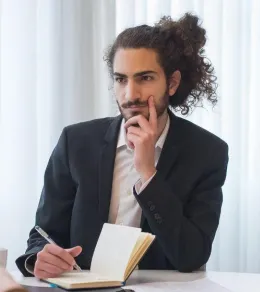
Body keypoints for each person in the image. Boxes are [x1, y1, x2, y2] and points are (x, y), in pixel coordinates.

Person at [16, 13, 229, 278]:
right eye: (121, 79)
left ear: (172, 83)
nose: (130, 94)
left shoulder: (207, 153)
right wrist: (40, 257)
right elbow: (43, 234)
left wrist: (148, 174)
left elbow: (191, 255)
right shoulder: (76, 143)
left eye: (145, 78)